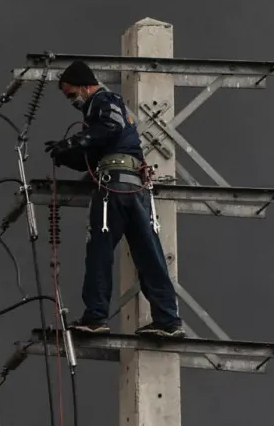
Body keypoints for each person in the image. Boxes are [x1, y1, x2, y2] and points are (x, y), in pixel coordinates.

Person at [43, 60, 185, 338]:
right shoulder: (102, 117)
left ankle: (95, 317)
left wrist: (71, 143)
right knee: (149, 254)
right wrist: (66, 154)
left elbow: (109, 127)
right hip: (136, 191)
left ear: (86, 85)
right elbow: (94, 153)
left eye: (72, 94)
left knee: (99, 252)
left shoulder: (103, 100)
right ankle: (168, 320)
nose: (72, 101)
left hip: (113, 190)